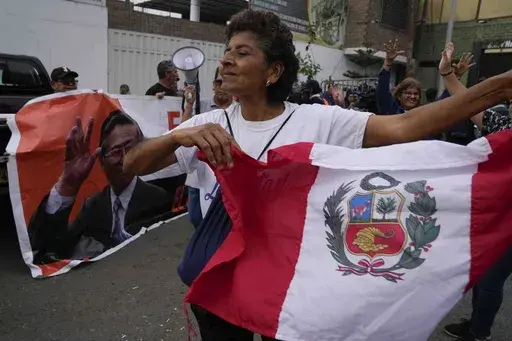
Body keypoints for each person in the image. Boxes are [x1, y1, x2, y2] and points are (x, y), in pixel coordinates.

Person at [122, 9, 512, 341]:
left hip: (294, 290)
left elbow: (404, 127)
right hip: (222, 287)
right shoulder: (207, 123)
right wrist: (178, 138)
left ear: (273, 71)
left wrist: (500, 88)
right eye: (226, 52)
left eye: (241, 53)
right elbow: (133, 165)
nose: (225, 61)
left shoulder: (318, 120)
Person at [439, 41, 512, 341]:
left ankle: (479, 334)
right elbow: (466, 101)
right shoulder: (500, 124)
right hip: (492, 217)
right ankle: (474, 323)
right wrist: (447, 74)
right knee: (481, 276)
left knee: (492, 280)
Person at [28, 111, 171, 264]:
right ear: (102, 162)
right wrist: (67, 185)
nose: (125, 159)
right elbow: (52, 247)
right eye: (116, 152)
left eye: (131, 149)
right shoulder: (93, 206)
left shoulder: (158, 199)